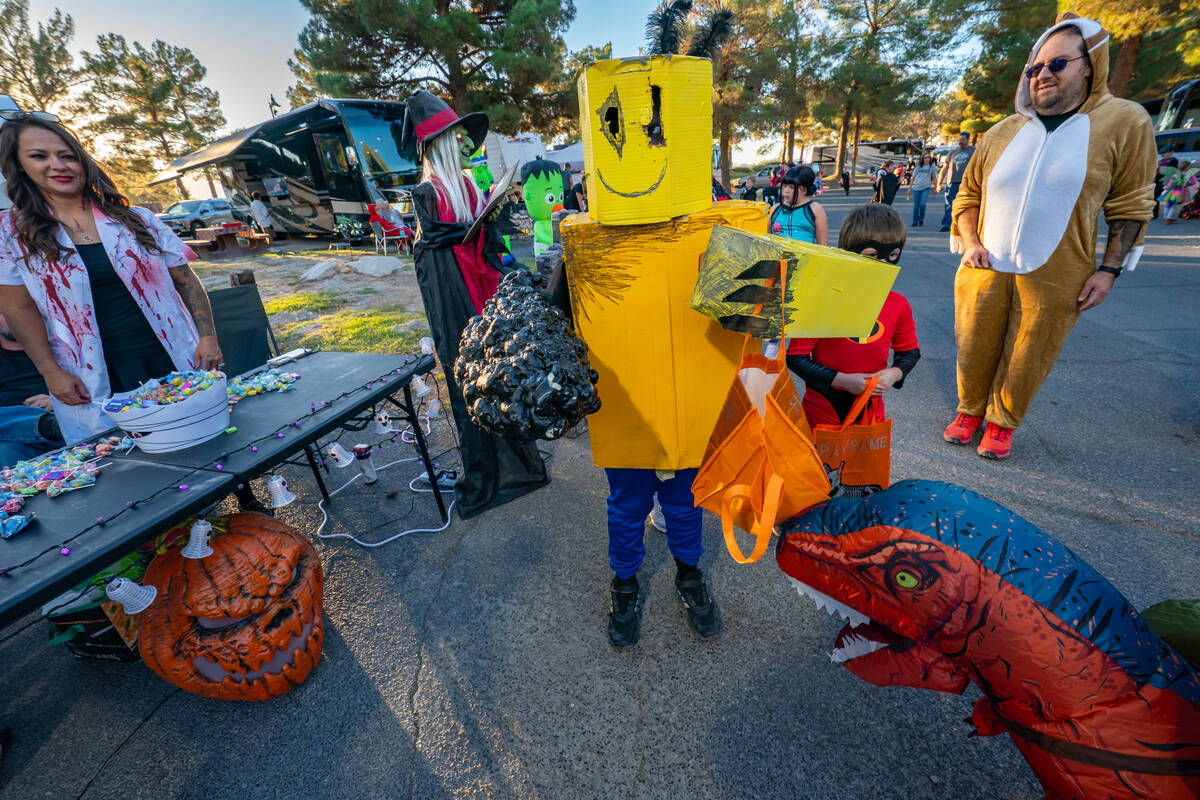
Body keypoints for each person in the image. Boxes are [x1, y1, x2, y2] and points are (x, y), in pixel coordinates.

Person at [946, 13, 1156, 459]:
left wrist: (1109, 271)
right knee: (972, 341)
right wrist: (971, 242)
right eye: (1035, 67)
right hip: (983, 264)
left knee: (1031, 350)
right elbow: (968, 196)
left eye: (1058, 64)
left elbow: (1132, 203)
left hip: (1060, 267)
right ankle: (969, 410)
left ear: (1089, 65)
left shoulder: (1124, 121)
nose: (1043, 74)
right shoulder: (1003, 131)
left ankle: (1002, 421)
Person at [0, 113, 223, 445]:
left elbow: (186, 280)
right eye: (39, 156)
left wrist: (208, 337)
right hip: (90, 373)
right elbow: (18, 309)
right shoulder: (11, 235)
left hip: (170, 354)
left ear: (82, 161)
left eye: (67, 155)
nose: (58, 165)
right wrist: (51, 372)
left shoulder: (138, 219)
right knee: (127, 463)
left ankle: (243, 495)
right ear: (18, 166)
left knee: (202, 433)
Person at [402, 90, 549, 518]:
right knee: (481, 384)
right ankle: (496, 473)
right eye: (459, 138)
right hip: (465, 307)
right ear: (443, 144)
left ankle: (506, 471)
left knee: (494, 382)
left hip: (480, 302)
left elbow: (478, 246)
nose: (468, 144)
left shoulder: (465, 186)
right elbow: (437, 259)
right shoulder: (429, 195)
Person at [786, 204, 920, 429]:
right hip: (823, 403)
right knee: (818, 462)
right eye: (872, 255)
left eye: (893, 255)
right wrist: (843, 380)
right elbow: (796, 357)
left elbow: (909, 351)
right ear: (850, 251)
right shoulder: (826, 299)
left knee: (865, 462)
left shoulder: (898, 304)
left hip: (871, 406)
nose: (884, 263)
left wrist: (893, 374)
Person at [0, 312, 63, 465]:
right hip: (14, 437)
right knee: (6, 449)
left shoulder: (61, 349)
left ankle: (52, 424)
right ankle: (45, 424)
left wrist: (59, 402)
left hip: (67, 422)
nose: (13, 315)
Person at [767, 166, 828, 245]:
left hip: (806, 256)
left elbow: (822, 244)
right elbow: (767, 240)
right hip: (778, 257)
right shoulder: (775, 208)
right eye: (784, 186)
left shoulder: (815, 209)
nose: (786, 191)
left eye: (792, 187)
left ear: (804, 189)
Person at [937, 131, 975, 231]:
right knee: (949, 204)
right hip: (952, 182)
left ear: (968, 140)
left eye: (962, 140)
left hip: (966, 182)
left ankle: (962, 225)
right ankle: (946, 225)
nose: (960, 142)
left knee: (965, 204)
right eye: (959, 140)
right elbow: (944, 168)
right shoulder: (952, 152)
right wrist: (939, 183)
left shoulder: (973, 151)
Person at [1159, 160, 1197, 225]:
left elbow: (1170, 183)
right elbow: (1193, 182)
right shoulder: (1189, 175)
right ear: (1188, 167)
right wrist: (1186, 185)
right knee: (1173, 205)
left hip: (1172, 190)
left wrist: (1166, 187)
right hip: (1179, 191)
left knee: (1168, 203)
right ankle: (1168, 218)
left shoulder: (1176, 173)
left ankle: (1165, 217)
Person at [906, 152, 936, 226]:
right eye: (925, 157)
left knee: (922, 204)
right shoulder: (919, 166)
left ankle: (921, 219)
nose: (927, 159)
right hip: (916, 188)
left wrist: (936, 187)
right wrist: (909, 189)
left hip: (926, 188)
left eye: (928, 157)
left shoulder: (932, 166)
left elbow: (935, 178)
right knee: (916, 205)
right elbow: (913, 178)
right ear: (922, 158)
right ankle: (914, 221)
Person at [1154, 147, 1178, 219]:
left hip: (1168, 181)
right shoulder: (1160, 161)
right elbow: (1158, 170)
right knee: (1155, 196)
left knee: (1170, 198)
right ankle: (1155, 213)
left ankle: (1168, 215)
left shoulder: (1173, 160)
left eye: (1164, 153)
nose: (1162, 155)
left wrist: (1157, 176)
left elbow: (1169, 170)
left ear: (1171, 152)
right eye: (1161, 154)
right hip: (1159, 181)